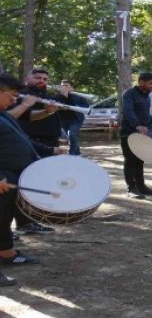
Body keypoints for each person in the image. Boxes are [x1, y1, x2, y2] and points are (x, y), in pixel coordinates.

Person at [0, 74, 65, 283]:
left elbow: (22, 140)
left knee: (4, 218)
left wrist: (49, 151)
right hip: (3, 177)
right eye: (11, 95)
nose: (14, 100)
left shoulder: (3, 115)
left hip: (13, 175)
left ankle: (7, 254)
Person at [6, 68, 60, 235]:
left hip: (39, 143)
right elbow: (9, 117)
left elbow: (28, 116)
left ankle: (26, 222)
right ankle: (12, 229)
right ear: (27, 78)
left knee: (31, 184)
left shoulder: (43, 95)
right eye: (37, 77)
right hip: (23, 143)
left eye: (45, 78)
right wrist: (24, 103)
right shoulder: (19, 95)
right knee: (21, 186)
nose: (42, 80)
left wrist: (47, 111)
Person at [119, 72, 152, 199]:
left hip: (141, 133)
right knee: (130, 160)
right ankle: (131, 189)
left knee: (139, 160)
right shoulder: (129, 94)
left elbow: (145, 115)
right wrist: (137, 125)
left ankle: (141, 186)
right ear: (141, 82)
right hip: (128, 132)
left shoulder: (146, 96)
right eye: (151, 83)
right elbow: (128, 111)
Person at [57, 80, 89, 156]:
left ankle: (71, 154)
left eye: (66, 86)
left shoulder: (79, 96)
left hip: (76, 119)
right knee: (69, 137)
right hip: (62, 120)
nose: (64, 87)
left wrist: (73, 107)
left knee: (72, 134)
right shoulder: (58, 96)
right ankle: (77, 153)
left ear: (72, 88)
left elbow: (86, 107)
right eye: (62, 86)